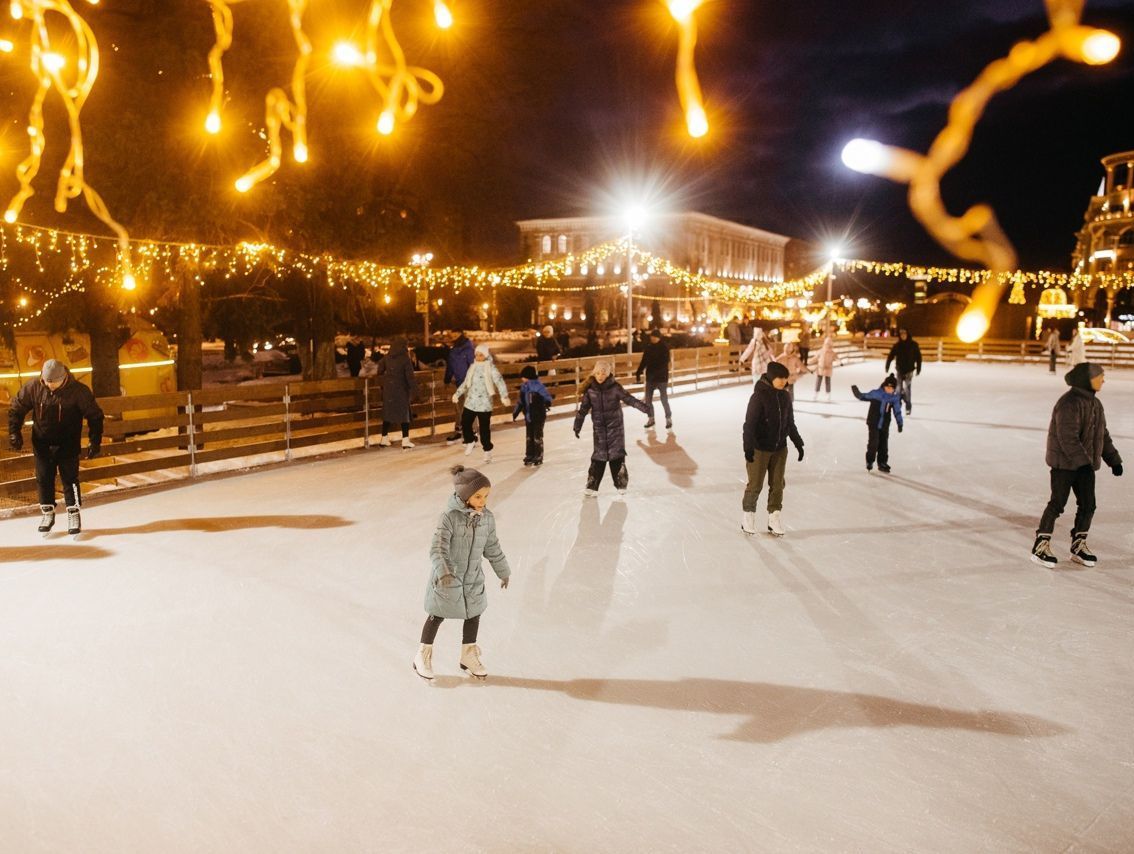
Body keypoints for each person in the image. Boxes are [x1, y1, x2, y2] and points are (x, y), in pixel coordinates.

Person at [412, 465, 511, 681]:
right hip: (449, 577)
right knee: (436, 615)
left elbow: (492, 547)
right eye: (478, 496)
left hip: (473, 578)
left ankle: (468, 656)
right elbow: (437, 548)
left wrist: (503, 571)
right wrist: (444, 571)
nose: (483, 500)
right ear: (465, 496)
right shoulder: (449, 517)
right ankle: (422, 655)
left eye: (486, 495)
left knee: (474, 615)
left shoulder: (486, 518)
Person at [1031, 362, 1122, 569]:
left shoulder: (1095, 404)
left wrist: (1114, 460)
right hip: (1064, 464)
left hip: (1084, 466)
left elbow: (1102, 436)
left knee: (1088, 505)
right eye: (1100, 376)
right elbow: (1067, 437)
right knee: (1057, 504)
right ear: (1087, 379)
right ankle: (1040, 545)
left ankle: (1078, 545)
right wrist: (1083, 464)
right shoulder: (1069, 403)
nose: (1103, 380)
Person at [8, 358, 104, 535]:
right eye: (47, 381)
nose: (50, 386)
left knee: (70, 480)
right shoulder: (34, 387)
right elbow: (17, 408)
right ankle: (47, 513)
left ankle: (73, 513)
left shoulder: (78, 392)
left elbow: (95, 416)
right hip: (42, 444)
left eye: (54, 382)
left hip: (67, 444)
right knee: (43, 478)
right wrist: (15, 432)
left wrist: (95, 440)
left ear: (64, 377)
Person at [741, 361, 804, 537]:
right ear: (771, 377)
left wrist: (797, 442)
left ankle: (774, 517)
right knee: (755, 485)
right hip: (760, 448)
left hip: (779, 449)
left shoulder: (785, 397)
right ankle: (748, 516)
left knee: (778, 485)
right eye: (781, 378)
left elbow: (789, 423)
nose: (784, 381)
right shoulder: (758, 397)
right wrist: (748, 447)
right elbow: (749, 425)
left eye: (786, 378)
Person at [573, 360, 652, 496]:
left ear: (608, 374)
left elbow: (629, 399)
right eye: (598, 373)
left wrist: (645, 408)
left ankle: (621, 484)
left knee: (616, 456)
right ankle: (592, 486)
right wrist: (577, 425)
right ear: (594, 373)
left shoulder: (615, 388)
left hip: (615, 429)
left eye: (603, 373)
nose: (600, 376)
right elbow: (583, 410)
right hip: (599, 430)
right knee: (599, 457)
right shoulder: (591, 391)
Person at [453, 344, 510, 463]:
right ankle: (470, 440)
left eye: (481, 355)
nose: (478, 357)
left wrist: (504, 396)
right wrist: (457, 394)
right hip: (471, 401)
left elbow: (499, 382)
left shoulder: (491, 368)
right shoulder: (472, 367)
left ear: (486, 355)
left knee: (484, 429)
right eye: (477, 355)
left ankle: (487, 451)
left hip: (484, 404)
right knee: (465, 422)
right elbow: (466, 383)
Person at [851, 374, 904, 473]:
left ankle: (882, 462)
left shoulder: (894, 399)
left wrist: (900, 423)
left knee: (883, 444)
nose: (889, 389)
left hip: (884, 425)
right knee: (873, 443)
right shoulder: (876, 394)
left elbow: (897, 411)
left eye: (891, 388)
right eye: (887, 387)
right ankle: (870, 461)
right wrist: (856, 391)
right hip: (873, 423)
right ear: (883, 386)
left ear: (894, 389)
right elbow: (863, 396)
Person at [377, 338, 417, 449]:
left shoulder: (387, 358)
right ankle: (405, 440)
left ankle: (384, 439)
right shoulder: (405, 359)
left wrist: (383, 383)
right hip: (401, 390)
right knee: (404, 415)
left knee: (388, 414)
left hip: (389, 390)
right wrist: (415, 390)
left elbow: (379, 369)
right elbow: (410, 377)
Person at [512, 365, 553, 466]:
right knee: (529, 437)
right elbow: (521, 401)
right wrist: (516, 412)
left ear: (528, 376)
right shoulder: (524, 387)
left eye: (523, 377)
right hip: (528, 416)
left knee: (537, 436)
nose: (522, 379)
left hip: (538, 415)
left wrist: (546, 403)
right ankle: (530, 455)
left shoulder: (538, 386)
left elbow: (547, 397)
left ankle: (538, 455)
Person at [634, 329, 672, 430]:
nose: (653, 338)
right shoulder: (649, 347)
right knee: (648, 400)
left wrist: (656, 372)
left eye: (655, 336)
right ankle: (651, 418)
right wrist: (639, 372)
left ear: (659, 337)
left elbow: (665, 363)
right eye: (652, 336)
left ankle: (668, 418)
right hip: (650, 378)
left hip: (661, 378)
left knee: (664, 399)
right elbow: (644, 361)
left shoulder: (664, 347)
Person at [443, 331, 476, 444]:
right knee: (458, 408)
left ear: (461, 335)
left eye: (455, 335)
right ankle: (459, 431)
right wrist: (447, 379)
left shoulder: (468, 349)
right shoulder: (453, 351)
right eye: (452, 336)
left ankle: (472, 433)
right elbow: (450, 366)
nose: (453, 337)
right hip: (458, 383)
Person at [884, 328, 922, 415]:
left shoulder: (913, 345)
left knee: (907, 389)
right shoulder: (897, 345)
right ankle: (898, 404)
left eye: (904, 334)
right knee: (898, 389)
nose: (903, 336)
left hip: (909, 370)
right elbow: (891, 355)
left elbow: (918, 357)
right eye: (901, 335)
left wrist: (919, 368)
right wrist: (887, 365)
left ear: (907, 335)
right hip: (900, 369)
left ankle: (908, 406)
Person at [813, 336, 836, 401]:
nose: (828, 345)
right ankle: (816, 393)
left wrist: (839, 362)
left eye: (829, 344)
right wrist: (809, 361)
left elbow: (836, 358)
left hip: (828, 369)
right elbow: (815, 357)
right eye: (827, 344)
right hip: (820, 368)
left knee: (827, 382)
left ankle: (828, 394)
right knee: (818, 382)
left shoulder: (832, 352)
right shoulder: (820, 351)